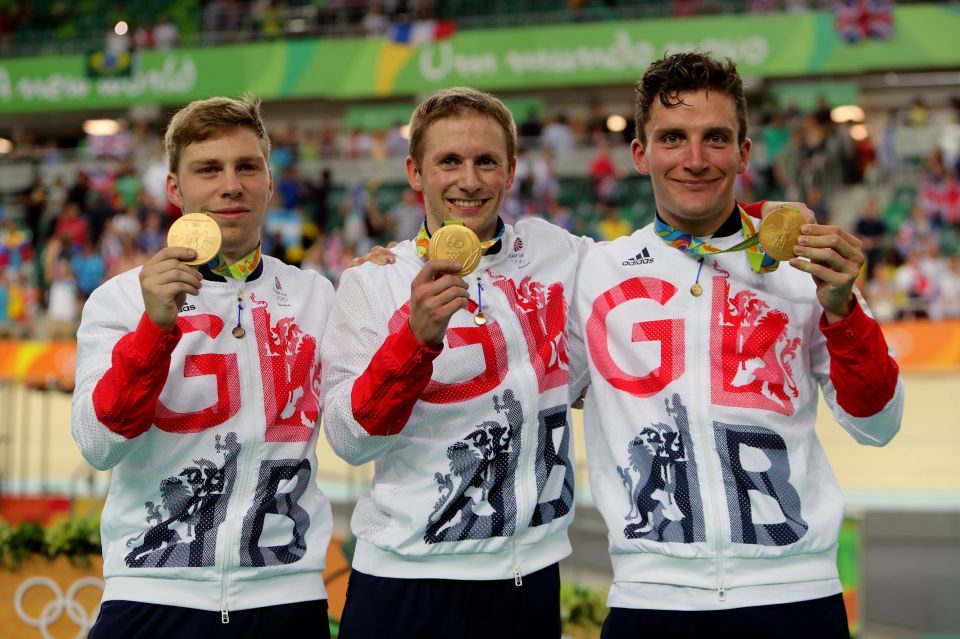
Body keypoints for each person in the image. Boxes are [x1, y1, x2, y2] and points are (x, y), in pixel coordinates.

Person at [574, 51, 904, 638]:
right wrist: (394, 262)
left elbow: (877, 425)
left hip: (795, 596)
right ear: (640, 153)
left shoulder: (807, 263)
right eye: (672, 138)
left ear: (744, 153)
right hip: (653, 601)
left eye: (716, 138)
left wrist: (844, 312)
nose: (695, 160)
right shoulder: (594, 271)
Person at [319, 86, 592, 638]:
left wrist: (761, 223)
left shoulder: (561, 254)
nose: (469, 181)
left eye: (486, 161)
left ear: (511, 171)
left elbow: (667, 245)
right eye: (449, 161)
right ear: (415, 173)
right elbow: (349, 440)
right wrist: (413, 342)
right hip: (404, 582)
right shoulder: (373, 282)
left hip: (528, 580)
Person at [71, 94, 336, 638]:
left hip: (285, 597)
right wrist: (153, 331)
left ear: (269, 180)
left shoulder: (317, 296)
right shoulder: (119, 301)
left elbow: (362, 431)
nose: (230, 185)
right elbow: (99, 447)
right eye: (208, 169)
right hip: (150, 593)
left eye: (247, 167)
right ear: (176, 188)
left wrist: (385, 283)